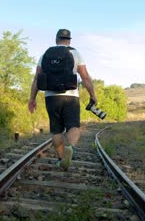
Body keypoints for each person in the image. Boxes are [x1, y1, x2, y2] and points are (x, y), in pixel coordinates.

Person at [28, 29, 97, 170]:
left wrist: (32, 98)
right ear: (69, 40)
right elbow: (85, 77)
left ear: (56, 39)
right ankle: (70, 148)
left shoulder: (45, 55)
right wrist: (92, 95)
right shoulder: (75, 53)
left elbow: (37, 79)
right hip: (70, 96)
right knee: (73, 126)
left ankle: (60, 159)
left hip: (51, 97)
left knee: (56, 131)